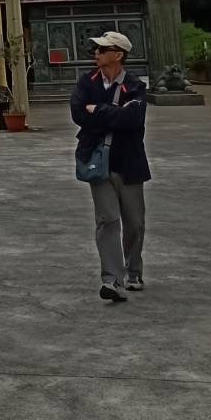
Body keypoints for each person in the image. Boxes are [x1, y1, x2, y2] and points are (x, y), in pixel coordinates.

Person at [70, 31, 149, 302]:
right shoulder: (86, 82)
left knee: (135, 222)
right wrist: (112, 115)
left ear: (118, 55)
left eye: (103, 49)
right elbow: (78, 113)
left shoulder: (135, 86)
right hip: (97, 161)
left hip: (128, 161)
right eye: (97, 49)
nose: (97, 53)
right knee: (108, 220)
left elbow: (133, 118)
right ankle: (112, 280)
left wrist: (98, 110)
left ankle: (133, 270)